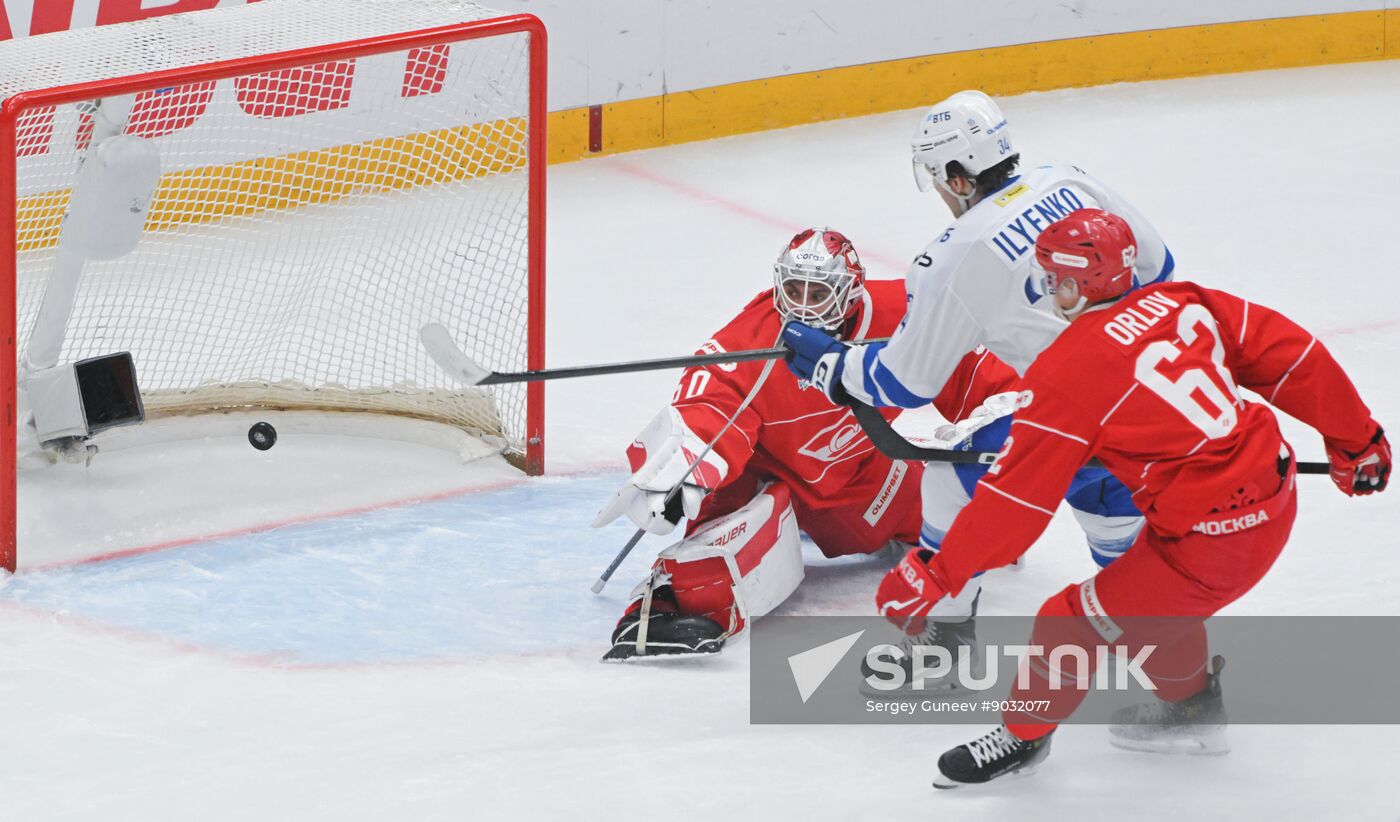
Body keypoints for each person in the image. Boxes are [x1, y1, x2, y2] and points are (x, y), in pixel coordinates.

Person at [873, 209, 1390, 788]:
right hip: (1269, 496)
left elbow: (1014, 506)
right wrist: (1357, 439)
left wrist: (938, 572)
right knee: (1145, 591)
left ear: (1074, 284)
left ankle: (1021, 739)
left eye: (1051, 280)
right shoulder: (1183, 300)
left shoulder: (1066, 373)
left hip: (1212, 543)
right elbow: (1293, 358)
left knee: (1067, 623)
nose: (1047, 291)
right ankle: (1192, 711)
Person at [784, 89, 1166, 647]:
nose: (940, 193)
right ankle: (1177, 684)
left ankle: (944, 639)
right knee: (1117, 519)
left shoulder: (954, 255)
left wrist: (833, 364)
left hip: (1066, 421)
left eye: (940, 180)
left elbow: (905, 383)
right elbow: (1160, 271)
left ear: (960, 178)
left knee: (948, 477)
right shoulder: (1071, 181)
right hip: (1151, 402)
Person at [592, 227, 1019, 660]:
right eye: (794, 289)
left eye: (818, 293)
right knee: (714, 568)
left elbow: (964, 360)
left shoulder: (900, 313)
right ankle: (665, 604)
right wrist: (684, 466)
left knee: (976, 528)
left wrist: (1003, 406)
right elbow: (707, 403)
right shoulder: (747, 346)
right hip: (766, 476)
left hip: (859, 472)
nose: (802, 304)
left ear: (851, 291)